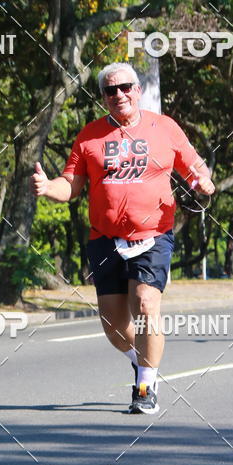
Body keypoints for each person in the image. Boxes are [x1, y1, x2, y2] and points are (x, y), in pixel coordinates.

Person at [31, 62, 215, 414]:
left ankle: (145, 385)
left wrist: (202, 183)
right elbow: (71, 185)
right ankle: (142, 359)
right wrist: (47, 188)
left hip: (153, 234)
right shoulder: (90, 136)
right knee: (114, 327)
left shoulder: (164, 128)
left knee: (145, 304)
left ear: (138, 89)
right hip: (104, 239)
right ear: (102, 96)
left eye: (125, 87)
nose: (119, 95)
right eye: (110, 90)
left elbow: (194, 168)